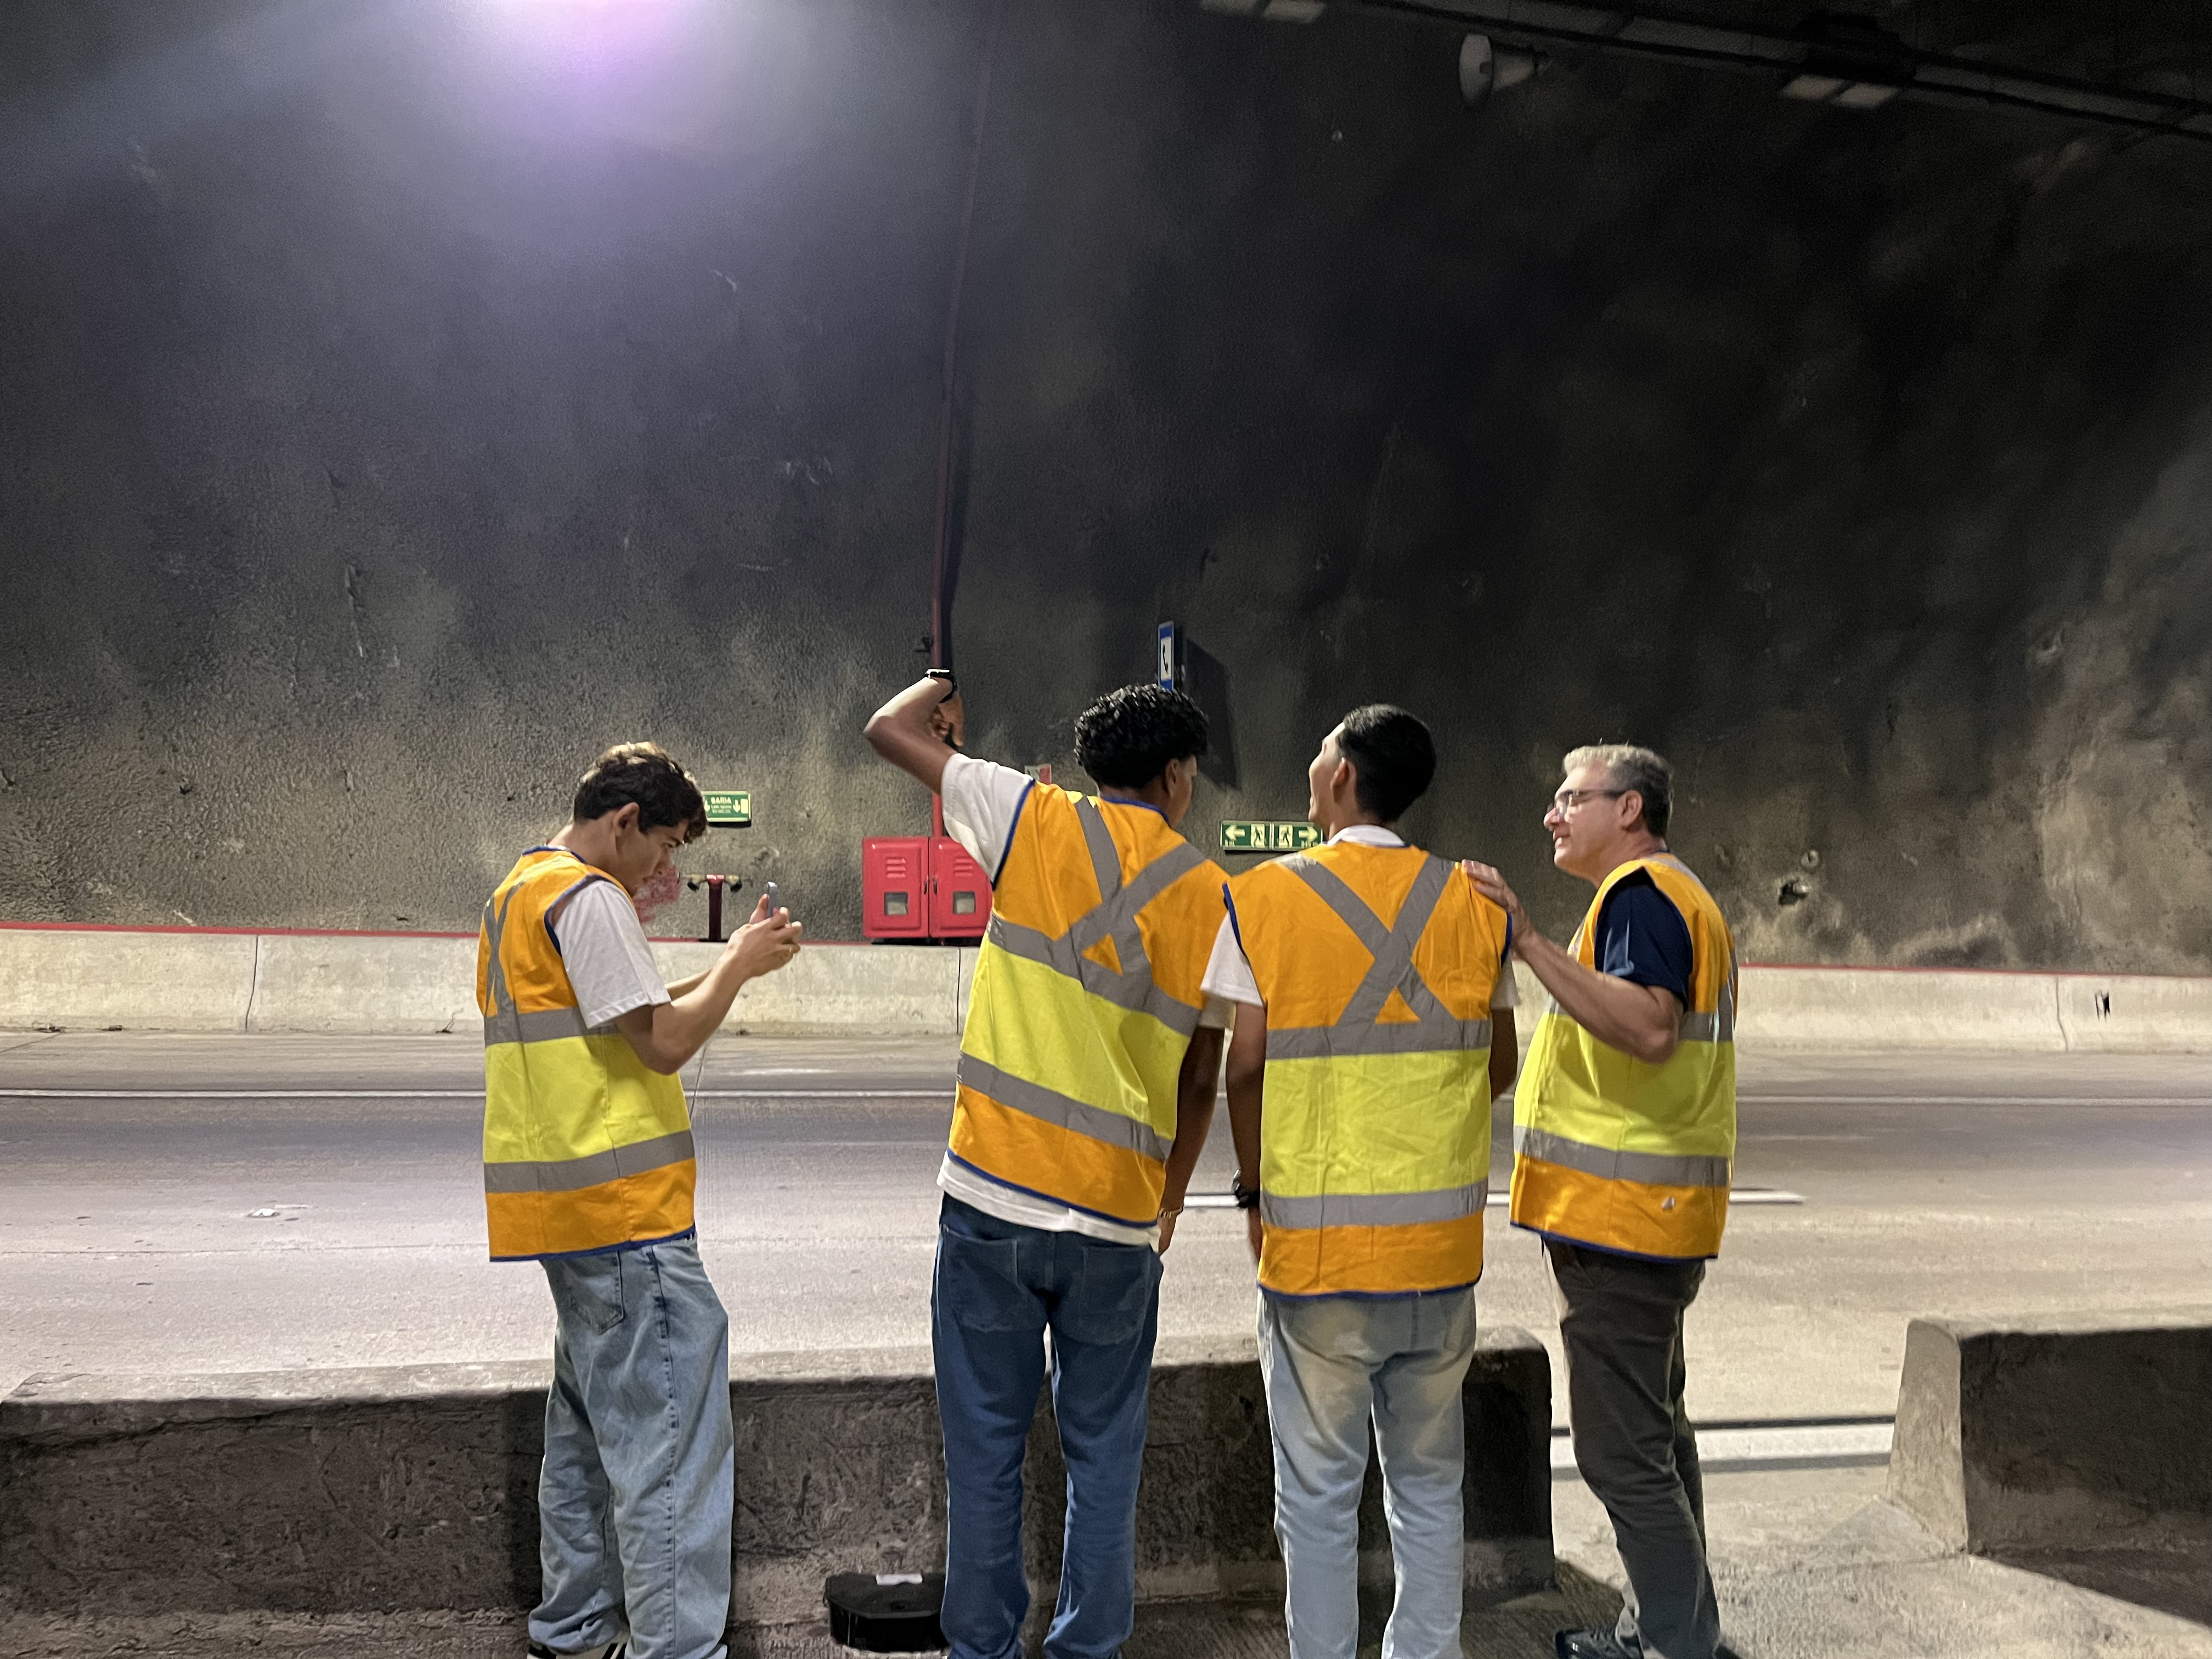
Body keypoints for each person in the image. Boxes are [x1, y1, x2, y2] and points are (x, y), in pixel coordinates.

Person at [864, 673, 1231, 1659]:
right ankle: (1085, 1647)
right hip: (1117, 1218)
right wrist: (1168, 1201)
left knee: (984, 1447)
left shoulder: (1028, 815)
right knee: (1105, 1456)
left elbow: (887, 729)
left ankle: (982, 1647)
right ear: (1174, 776)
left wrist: (940, 689)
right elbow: (1203, 1078)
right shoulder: (1213, 897)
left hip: (993, 1198)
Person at [1204, 704, 1521, 1659]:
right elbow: (1500, 1063)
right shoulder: (1475, 903)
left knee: (1317, 1501)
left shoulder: (1261, 898)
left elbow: (1245, 1067)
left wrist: (1253, 1192)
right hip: (1441, 1260)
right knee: (1429, 1488)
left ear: (1341, 774)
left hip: (1318, 1263)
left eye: (1319, 753)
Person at [477, 742, 803, 1659]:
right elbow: (662, 1044)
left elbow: (634, 1016)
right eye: (663, 845)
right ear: (624, 823)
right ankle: (677, 1649)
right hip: (628, 1217)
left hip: (570, 1213)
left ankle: (574, 1627)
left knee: (588, 1438)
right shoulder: (589, 898)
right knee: (670, 1450)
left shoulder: (522, 891)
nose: (664, 869)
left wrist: (735, 963)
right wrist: (736, 968)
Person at [1462, 744, 1739, 1659]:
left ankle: (1672, 1647)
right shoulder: (1668, 897)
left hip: (1625, 1227)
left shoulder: (1641, 896)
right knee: (1658, 1440)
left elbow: (1651, 1030)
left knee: (1622, 1457)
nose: (1553, 814)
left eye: (1572, 797)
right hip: (1653, 1220)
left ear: (1629, 809)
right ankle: (1672, 1628)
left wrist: (1529, 944)